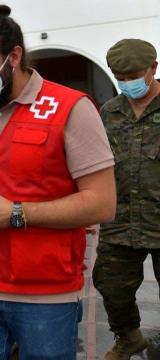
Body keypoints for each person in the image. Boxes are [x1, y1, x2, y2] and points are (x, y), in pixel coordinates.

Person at [0, 5, 116, 359]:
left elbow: (102, 203)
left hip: (44, 297)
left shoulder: (70, 108)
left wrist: (16, 213)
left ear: (14, 56)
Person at [93, 38, 160, 360]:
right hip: (120, 219)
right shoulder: (109, 111)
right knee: (110, 286)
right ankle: (129, 337)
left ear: (153, 69)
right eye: (120, 76)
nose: (126, 82)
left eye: (133, 75)